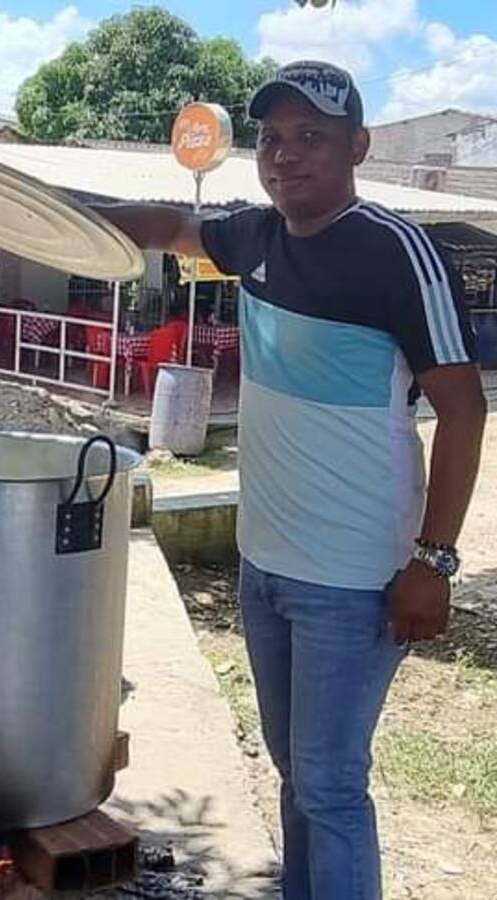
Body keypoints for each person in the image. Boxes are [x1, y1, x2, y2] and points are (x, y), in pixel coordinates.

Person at [95, 61, 486, 898]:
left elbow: (464, 412)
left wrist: (434, 562)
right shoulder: (256, 237)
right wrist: (62, 222)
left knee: (332, 785)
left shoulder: (396, 253)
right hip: (264, 564)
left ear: (358, 146)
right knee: (294, 771)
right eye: (272, 138)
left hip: (354, 576)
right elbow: (167, 223)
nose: (286, 155)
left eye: (312, 137)